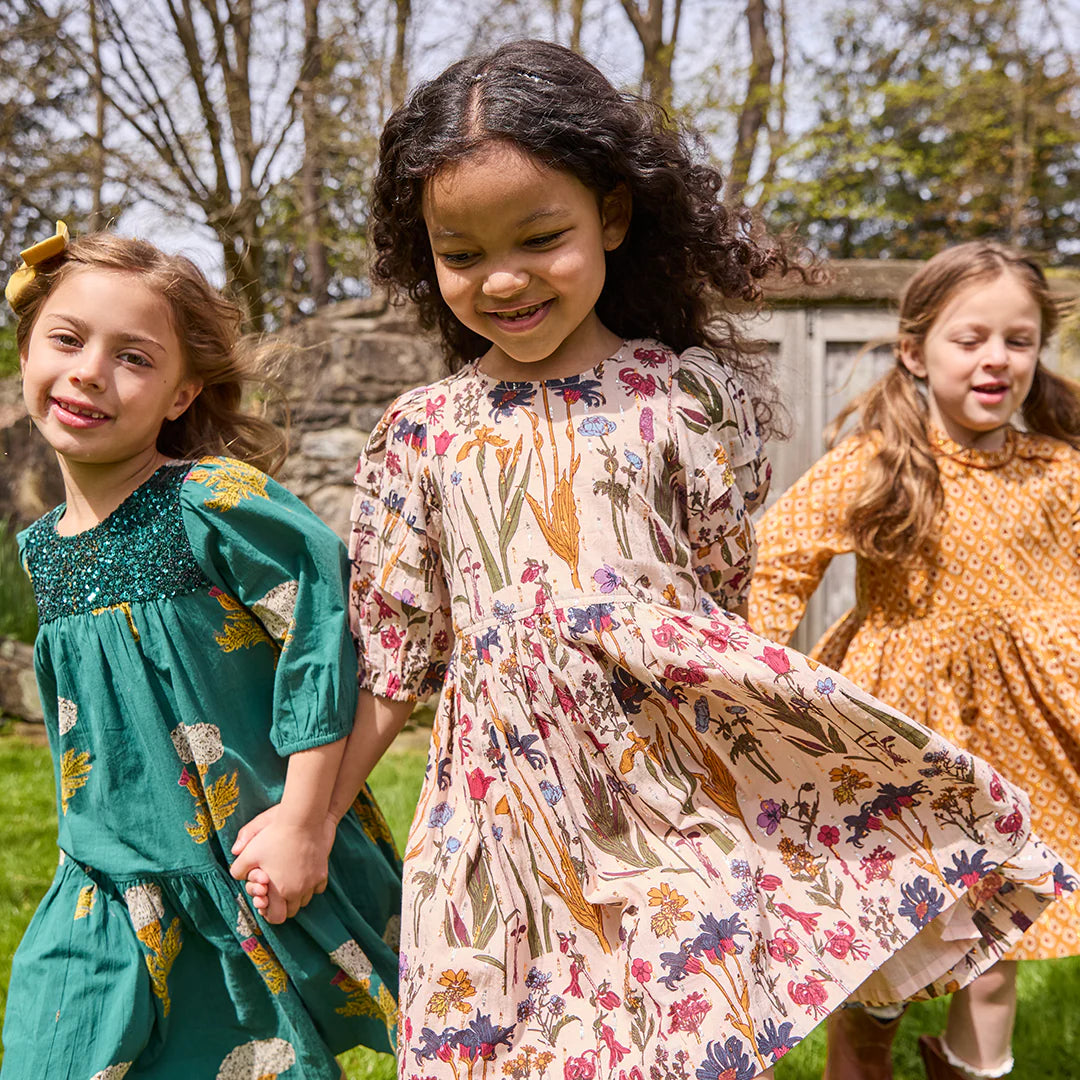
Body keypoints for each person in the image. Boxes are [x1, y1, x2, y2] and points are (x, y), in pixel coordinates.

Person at [263, 41, 1070, 1080]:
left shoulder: (688, 400)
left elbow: (718, 604)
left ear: (611, 213)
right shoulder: (423, 431)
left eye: (539, 235)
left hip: (664, 803)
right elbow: (393, 652)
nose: (502, 276)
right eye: (459, 252)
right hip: (496, 816)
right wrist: (308, 821)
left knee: (677, 1043)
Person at [3, 224, 402, 1080]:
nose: (88, 371)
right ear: (29, 348)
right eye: (66, 339)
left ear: (182, 395)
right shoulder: (41, 548)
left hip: (238, 863)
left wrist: (304, 819)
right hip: (100, 880)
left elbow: (321, 631)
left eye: (134, 358)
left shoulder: (211, 501)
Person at [749, 241, 1080, 1080]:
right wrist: (753, 683)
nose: (997, 359)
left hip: (1026, 743)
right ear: (915, 349)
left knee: (999, 946)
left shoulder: (1060, 471)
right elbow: (778, 560)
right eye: (970, 339)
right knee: (878, 963)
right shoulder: (883, 462)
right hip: (907, 745)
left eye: (1019, 339)